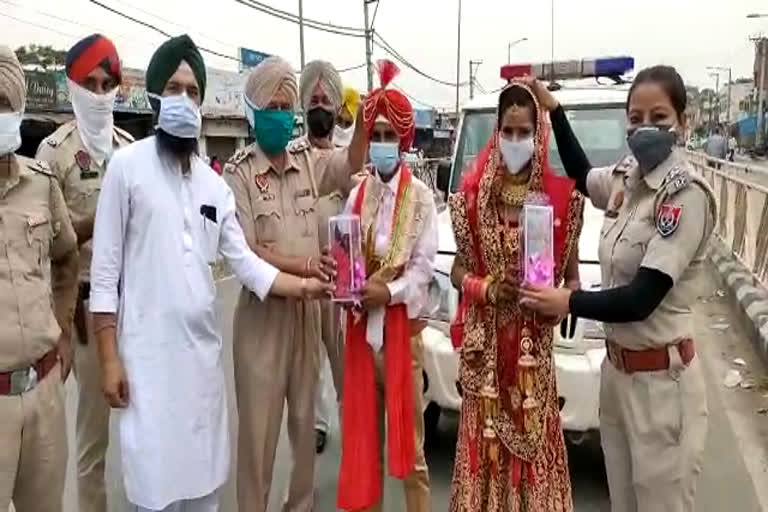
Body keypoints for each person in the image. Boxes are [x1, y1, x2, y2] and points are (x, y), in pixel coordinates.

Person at [89, 35, 333, 512]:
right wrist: (109, 358)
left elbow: (247, 264)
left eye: (193, 91)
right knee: (154, 492)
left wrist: (309, 285)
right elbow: (104, 276)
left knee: (203, 491)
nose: (184, 100)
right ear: (155, 97)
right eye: (174, 89)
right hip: (146, 364)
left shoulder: (212, 184)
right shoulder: (126, 168)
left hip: (201, 365)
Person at [520, 66, 716, 512]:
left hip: (661, 389)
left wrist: (569, 300)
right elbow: (580, 174)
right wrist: (556, 110)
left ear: (682, 123)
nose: (646, 128)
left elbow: (642, 298)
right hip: (618, 378)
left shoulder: (684, 197)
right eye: (636, 117)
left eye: (659, 117)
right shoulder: (626, 177)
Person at [223, 56, 366, 512]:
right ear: (254, 110)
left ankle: (299, 505)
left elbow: (349, 166)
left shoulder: (309, 162)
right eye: (274, 105)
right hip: (264, 318)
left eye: (289, 105)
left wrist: (364, 120)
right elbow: (247, 250)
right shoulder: (239, 172)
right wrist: (305, 268)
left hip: (306, 315)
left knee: (306, 429)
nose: (283, 114)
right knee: (259, 439)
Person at [447, 81, 581, 511]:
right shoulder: (471, 199)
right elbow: (457, 271)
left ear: (540, 133)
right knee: (481, 456)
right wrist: (485, 288)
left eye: (525, 132)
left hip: (531, 361)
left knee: (533, 455)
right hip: (484, 359)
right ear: (497, 133)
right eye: (509, 131)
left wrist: (560, 299)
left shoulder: (560, 204)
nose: (516, 141)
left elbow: (573, 281)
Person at [34, 34, 133, 512]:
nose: (99, 93)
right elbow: (46, 244)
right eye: (89, 83)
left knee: (142, 427)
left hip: (134, 303)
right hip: (86, 311)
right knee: (93, 443)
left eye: (106, 83)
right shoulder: (53, 154)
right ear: (72, 86)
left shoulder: (129, 149)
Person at [337, 60, 437, 512]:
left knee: (412, 453)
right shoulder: (356, 194)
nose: (381, 145)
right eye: (374, 135)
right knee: (364, 449)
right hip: (361, 337)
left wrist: (389, 294)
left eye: (388, 136)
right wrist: (344, 278)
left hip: (401, 337)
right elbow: (347, 255)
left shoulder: (420, 198)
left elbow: (422, 271)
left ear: (404, 140)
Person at [0, 45, 79, 512]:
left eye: (5, 104)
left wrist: (64, 330)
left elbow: (67, 259)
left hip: (44, 393)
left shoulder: (42, 182)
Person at [296, 63, 359, 454]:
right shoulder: (290, 157)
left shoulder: (346, 162)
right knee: (306, 368)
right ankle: (316, 426)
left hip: (340, 281)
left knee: (344, 365)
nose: (320, 107)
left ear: (337, 108)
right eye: (313, 100)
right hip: (303, 279)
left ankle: (354, 434)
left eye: (326, 101)